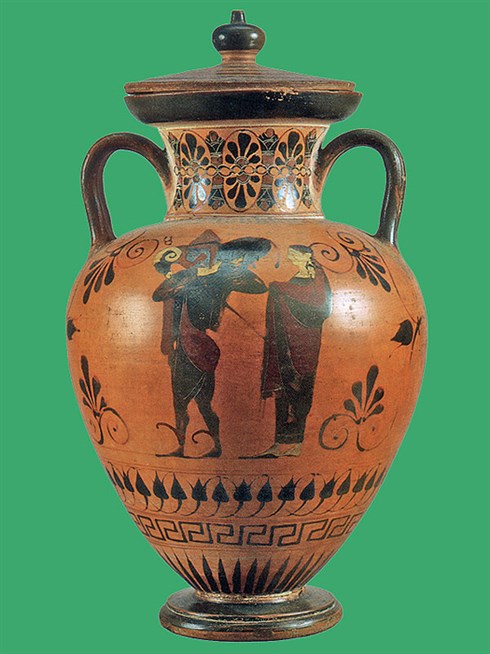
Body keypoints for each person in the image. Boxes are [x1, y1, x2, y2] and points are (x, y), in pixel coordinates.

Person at [153, 232, 271, 457]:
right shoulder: (186, 276)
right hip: (181, 346)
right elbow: (158, 294)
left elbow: (258, 285)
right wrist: (181, 277)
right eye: (196, 253)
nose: (200, 257)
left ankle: (217, 447)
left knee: (203, 403)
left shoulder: (221, 277)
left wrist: (231, 269)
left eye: (206, 253)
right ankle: (180, 446)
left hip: (202, 347)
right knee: (179, 402)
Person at [257, 245, 332, 457]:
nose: (290, 258)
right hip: (285, 340)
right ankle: (279, 443)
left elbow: (320, 305)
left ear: (306, 256)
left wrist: (282, 288)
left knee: (300, 390)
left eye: (294, 255)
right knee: (283, 390)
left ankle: (297, 443)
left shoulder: (317, 276)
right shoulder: (296, 278)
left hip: (305, 345)